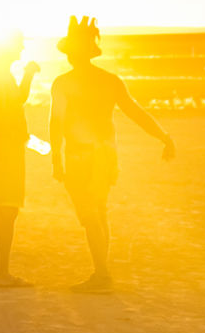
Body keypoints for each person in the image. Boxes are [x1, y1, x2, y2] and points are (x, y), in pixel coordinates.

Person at [50, 16, 176, 294]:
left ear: (71, 53)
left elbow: (56, 123)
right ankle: (101, 272)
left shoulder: (63, 83)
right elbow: (136, 113)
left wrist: (56, 160)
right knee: (99, 213)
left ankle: (102, 276)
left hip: (81, 156)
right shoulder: (110, 81)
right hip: (107, 155)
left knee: (89, 215)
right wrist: (164, 137)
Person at [0, 31, 39, 287]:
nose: (22, 49)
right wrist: (30, 74)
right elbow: (15, 103)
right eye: (20, 45)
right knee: (8, 209)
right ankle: (3, 273)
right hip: (6, 147)